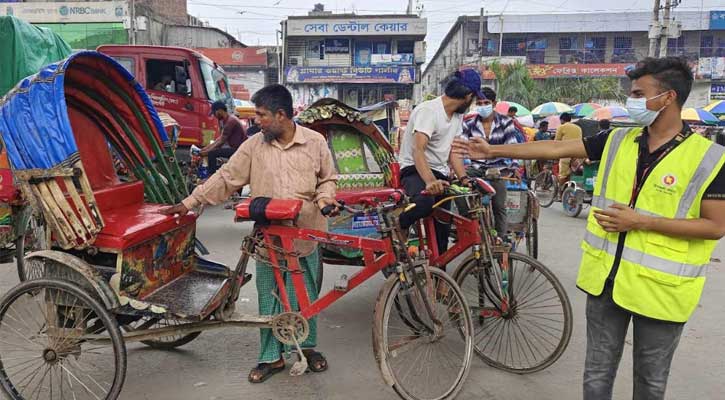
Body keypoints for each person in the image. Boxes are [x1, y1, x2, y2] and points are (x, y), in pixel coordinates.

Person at [453, 56, 725, 400]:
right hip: (606, 284)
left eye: (639, 93)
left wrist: (641, 221)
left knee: (651, 382)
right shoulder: (616, 141)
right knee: (596, 376)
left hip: (662, 292)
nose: (633, 100)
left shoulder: (710, 159)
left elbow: (715, 226)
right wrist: (492, 149)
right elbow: (554, 147)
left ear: (668, 97)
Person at [160, 84, 340, 384]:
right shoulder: (254, 146)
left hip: (306, 234)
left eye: (261, 115)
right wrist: (190, 202)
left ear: (281, 115)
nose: (255, 120)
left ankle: (307, 349)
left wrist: (325, 198)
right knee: (269, 297)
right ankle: (271, 357)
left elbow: (328, 179)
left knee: (305, 295)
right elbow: (227, 177)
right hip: (268, 237)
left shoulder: (315, 142)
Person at [397, 69, 483, 255]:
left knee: (443, 223)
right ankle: (400, 225)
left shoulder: (457, 117)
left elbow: (454, 151)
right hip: (415, 169)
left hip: (440, 173)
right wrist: (429, 181)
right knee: (424, 204)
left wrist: (464, 179)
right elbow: (417, 149)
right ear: (468, 96)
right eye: (474, 99)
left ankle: (440, 278)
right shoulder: (429, 110)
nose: (473, 103)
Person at [453, 87, 520, 241]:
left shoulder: (506, 122)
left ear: (494, 103)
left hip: (499, 170)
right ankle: (468, 222)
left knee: (499, 206)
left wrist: (515, 167)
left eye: (486, 102)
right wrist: (458, 168)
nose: (483, 106)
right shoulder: (469, 123)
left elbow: (513, 146)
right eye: (480, 103)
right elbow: (460, 148)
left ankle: (501, 239)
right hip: (476, 168)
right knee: (456, 187)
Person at [202, 100, 247, 175]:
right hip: (236, 148)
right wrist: (206, 148)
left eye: (214, 113)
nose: (215, 116)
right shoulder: (228, 119)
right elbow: (220, 138)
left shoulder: (230, 121)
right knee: (212, 151)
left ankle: (210, 176)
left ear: (219, 110)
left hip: (238, 150)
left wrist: (207, 152)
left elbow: (221, 142)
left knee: (211, 154)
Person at [555, 112, 583, 184]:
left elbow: (556, 142)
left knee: (562, 175)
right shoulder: (578, 128)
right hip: (577, 154)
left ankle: (561, 192)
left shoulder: (561, 127)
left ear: (562, 120)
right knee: (573, 172)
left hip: (566, 153)